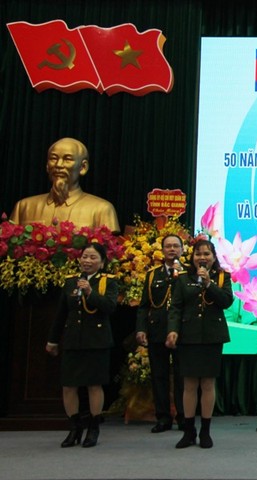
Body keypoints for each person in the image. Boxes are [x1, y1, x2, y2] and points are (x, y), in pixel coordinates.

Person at [46, 243, 118, 448]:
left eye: (93, 257)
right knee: (69, 386)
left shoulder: (108, 282)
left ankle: (93, 427)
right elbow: (61, 314)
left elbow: (110, 307)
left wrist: (89, 292)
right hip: (73, 341)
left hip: (97, 342)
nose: (87, 261)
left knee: (94, 385)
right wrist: (52, 340)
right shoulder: (70, 282)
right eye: (85, 257)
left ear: (102, 262)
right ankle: (75, 427)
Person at [166, 240, 233, 449]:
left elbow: (226, 301)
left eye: (206, 254)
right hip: (189, 336)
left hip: (212, 336)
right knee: (190, 385)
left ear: (213, 257)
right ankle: (188, 431)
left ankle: (205, 431)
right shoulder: (183, 278)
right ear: (192, 257)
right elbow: (176, 306)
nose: (202, 258)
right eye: (198, 254)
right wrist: (173, 330)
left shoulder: (223, 277)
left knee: (207, 384)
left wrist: (208, 284)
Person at [10, 137, 119, 231]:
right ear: (47, 166)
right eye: (53, 158)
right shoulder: (24, 207)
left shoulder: (102, 210)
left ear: (83, 167)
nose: (59, 165)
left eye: (67, 159)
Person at [135, 234, 186, 433]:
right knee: (159, 376)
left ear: (182, 250)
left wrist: (179, 275)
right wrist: (141, 328)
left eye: (176, 246)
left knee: (182, 377)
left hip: (182, 331)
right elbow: (143, 306)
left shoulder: (187, 273)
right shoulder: (153, 274)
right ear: (162, 250)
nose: (172, 250)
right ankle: (163, 417)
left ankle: (184, 416)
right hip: (157, 331)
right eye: (168, 246)